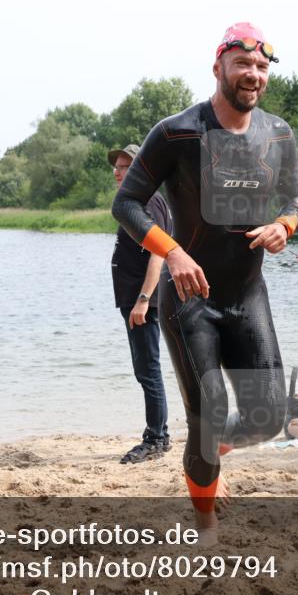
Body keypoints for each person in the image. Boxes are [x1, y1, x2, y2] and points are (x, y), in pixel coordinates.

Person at [112, 22, 298, 535]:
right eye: (243, 63)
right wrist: (172, 252)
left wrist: (285, 225)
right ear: (218, 66)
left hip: (247, 294)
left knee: (269, 416)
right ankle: (205, 526)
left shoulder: (278, 132)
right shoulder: (176, 132)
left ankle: (210, 446)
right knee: (209, 411)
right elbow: (125, 204)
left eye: (261, 66)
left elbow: (296, 197)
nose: (253, 74)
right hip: (189, 298)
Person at [108, 143, 174, 464]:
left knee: (148, 369)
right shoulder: (137, 201)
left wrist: (144, 299)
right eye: (116, 166)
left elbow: (160, 252)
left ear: (139, 168)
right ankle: (161, 433)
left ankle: (155, 439)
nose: (117, 172)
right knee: (145, 368)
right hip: (135, 299)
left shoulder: (149, 201)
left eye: (124, 166)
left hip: (143, 300)